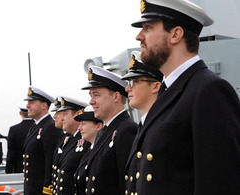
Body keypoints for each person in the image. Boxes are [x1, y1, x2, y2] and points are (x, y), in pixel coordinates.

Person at [126, 0, 240, 194]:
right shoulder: (168, 93)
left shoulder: (209, 90)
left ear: (176, 34)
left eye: (148, 27)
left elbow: (220, 184)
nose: (139, 36)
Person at [81, 66, 138, 195]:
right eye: (90, 95)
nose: (91, 102)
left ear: (116, 96)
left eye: (96, 95)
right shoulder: (104, 131)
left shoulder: (126, 130)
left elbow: (127, 184)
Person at [121, 51, 163, 193]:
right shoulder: (143, 126)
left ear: (155, 86)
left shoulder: (164, 126)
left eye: (134, 82)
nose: (127, 88)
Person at [22, 86, 62, 195]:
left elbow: (51, 161)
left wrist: (47, 188)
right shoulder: (36, 126)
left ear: (44, 105)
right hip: (32, 189)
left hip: (41, 190)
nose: (27, 106)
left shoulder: (50, 127)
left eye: (32, 102)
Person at [53, 96, 90, 195]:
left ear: (77, 114)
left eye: (65, 114)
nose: (62, 118)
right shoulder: (68, 139)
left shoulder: (85, 140)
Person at [74, 105, 103, 195]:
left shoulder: (101, 151)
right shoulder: (90, 151)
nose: (79, 128)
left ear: (98, 126)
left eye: (83, 123)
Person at [5, 101, 34, 174]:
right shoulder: (39, 128)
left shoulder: (14, 130)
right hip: (36, 172)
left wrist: (8, 171)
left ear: (20, 113)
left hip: (19, 170)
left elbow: (11, 153)